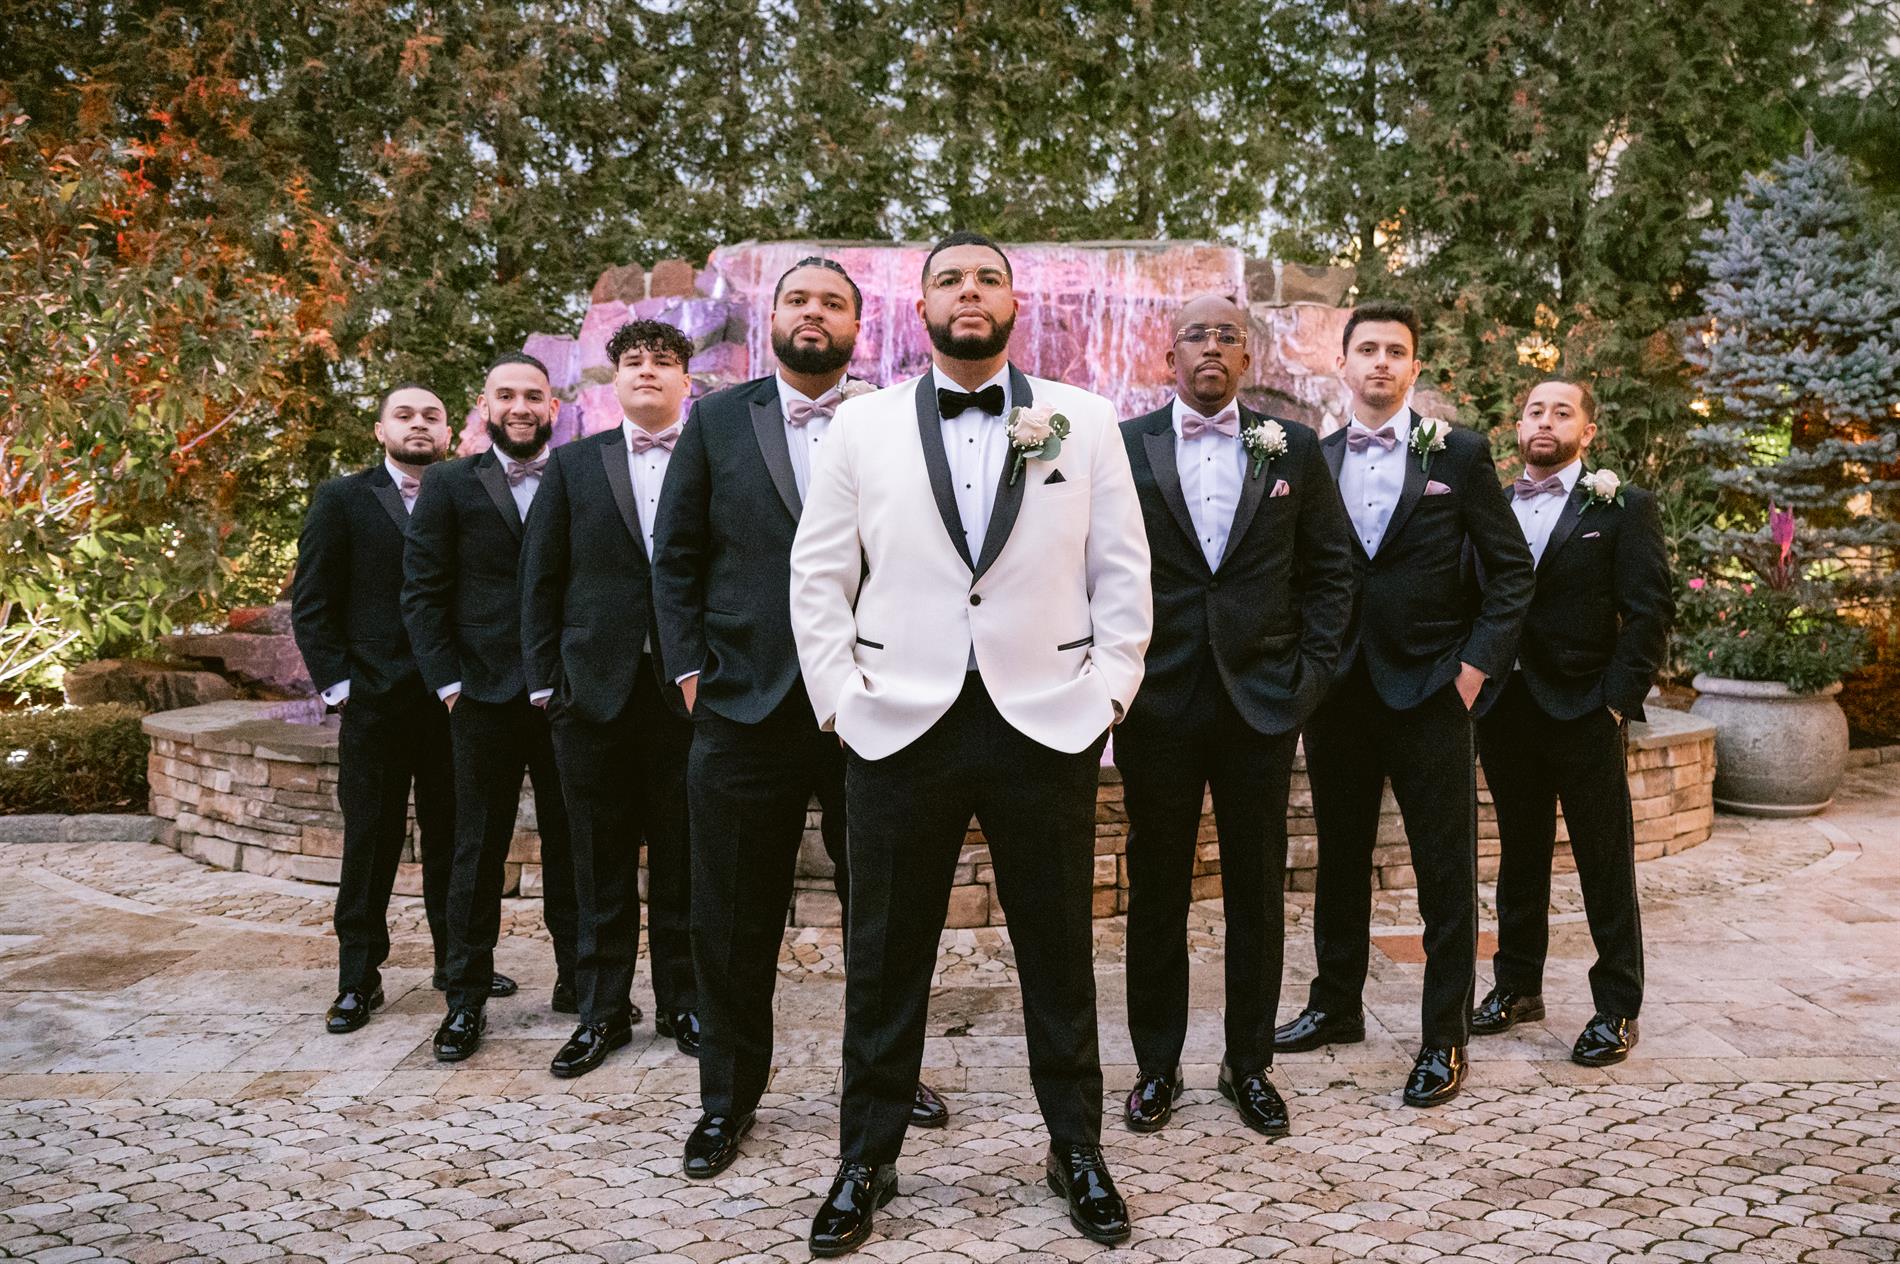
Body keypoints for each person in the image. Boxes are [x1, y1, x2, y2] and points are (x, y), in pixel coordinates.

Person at [790, 231, 1152, 1255]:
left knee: (1059, 950)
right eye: (949, 278)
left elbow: (1123, 571)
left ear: (1012, 303)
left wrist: (1107, 693)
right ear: (921, 306)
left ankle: (1076, 1147)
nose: (969, 292)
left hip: (1046, 722)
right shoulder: (860, 426)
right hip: (898, 723)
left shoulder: (1083, 419)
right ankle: (866, 1158)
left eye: (988, 278)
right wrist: (839, 702)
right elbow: (819, 574)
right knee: (884, 953)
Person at [653, 257, 947, 1182]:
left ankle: (888, 1080)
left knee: (885, 914)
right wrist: (691, 673)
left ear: (860, 326)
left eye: (832, 303)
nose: (813, 313)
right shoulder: (715, 421)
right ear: (772, 318)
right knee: (732, 916)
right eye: (798, 300)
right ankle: (727, 1098)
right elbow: (676, 554)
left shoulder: (899, 420)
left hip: (874, 704)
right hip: (745, 705)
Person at [1275, 301, 1535, 1108]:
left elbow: (1511, 572)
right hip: (1339, 694)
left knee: (1444, 870)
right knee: (1339, 859)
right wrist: (1304, 672)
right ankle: (1336, 1004)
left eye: (1396, 351)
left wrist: (1473, 671)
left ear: (1415, 367)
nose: (1381, 362)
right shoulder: (1313, 458)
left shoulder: (1460, 454)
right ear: (1343, 365)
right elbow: (1298, 576)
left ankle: (1443, 1037)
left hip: (1431, 691)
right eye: (1368, 350)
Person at [1116, 293, 1356, 1136]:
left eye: (1228, 335)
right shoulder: (1125, 446)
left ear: (1248, 359)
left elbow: (1331, 570)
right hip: (1158, 702)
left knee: (1257, 890)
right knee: (1157, 890)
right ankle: (1156, 1067)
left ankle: (1247, 1065)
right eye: (1197, 335)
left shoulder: (1293, 446)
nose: (1212, 346)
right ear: (1169, 356)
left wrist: (1310, 677)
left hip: (1262, 703)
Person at [1471, 377, 1671, 1067]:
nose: (1545, 422)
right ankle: (1517, 986)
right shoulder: (1494, 506)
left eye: (1562, 413)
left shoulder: (1622, 507)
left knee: (1603, 860)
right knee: (1519, 853)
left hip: (1585, 708)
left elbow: (1649, 610)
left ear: (1587, 432)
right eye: (1535, 411)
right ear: (1517, 427)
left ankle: (1617, 1007)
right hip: (1506, 709)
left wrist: (1615, 700)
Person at [520, 321, 698, 1078]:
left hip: (689, 696)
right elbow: (541, 575)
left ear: (687, 380)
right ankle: (602, 1011)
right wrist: (546, 685)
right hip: (590, 697)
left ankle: (685, 1003)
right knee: (596, 861)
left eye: (663, 361)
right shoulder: (572, 465)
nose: (647, 371)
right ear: (613, 381)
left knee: (687, 859)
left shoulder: (712, 456)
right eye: (633, 362)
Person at [401, 353, 580, 1062]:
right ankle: (465, 997)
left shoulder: (578, 474)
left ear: (553, 407)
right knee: (476, 849)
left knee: (575, 845)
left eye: (533, 395)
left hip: (565, 695)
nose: (520, 407)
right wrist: (447, 684)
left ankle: (580, 981)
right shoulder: (449, 482)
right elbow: (422, 590)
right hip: (480, 694)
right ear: (485, 406)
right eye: (506, 395)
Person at [291, 383, 462, 1034]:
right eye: (405, 415)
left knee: (454, 842)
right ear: (380, 430)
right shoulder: (341, 499)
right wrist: (341, 690)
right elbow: (312, 604)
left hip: (451, 705)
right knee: (369, 844)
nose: (419, 424)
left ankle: (457, 966)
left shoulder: (466, 493)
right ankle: (358, 980)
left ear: (448, 431)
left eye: (431, 415)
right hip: (374, 704)